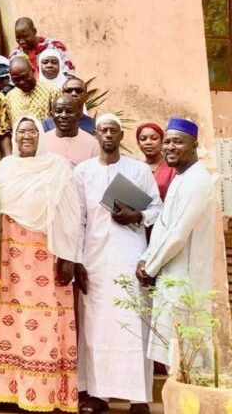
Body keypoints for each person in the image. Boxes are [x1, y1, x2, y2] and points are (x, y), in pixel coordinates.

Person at [0, 115, 83, 413]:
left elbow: (70, 215)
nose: (26, 136)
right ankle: (7, 392)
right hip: (10, 260)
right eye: (21, 132)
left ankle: (43, 394)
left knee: (45, 323)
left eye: (31, 132)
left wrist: (68, 258)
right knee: (8, 321)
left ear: (41, 135)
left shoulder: (58, 168)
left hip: (46, 259)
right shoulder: (5, 168)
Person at [75, 114, 161, 414]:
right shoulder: (83, 173)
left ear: (121, 136)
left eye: (113, 130)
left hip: (130, 257)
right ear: (95, 135)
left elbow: (158, 211)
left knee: (133, 325)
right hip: (94, 260)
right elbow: (79, 220)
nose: (108, 135)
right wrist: (77, 262)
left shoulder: (137, 170)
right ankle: (99, 395)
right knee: (96, 329)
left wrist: (137, 216)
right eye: (102, 130)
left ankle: (139, 397)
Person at [137, 118, 216, 368]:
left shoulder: (197, 181)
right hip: (171, 275)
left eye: (178, 142)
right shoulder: (181, 177)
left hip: (185, 279)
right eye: (168, 142)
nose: (170, 147)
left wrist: (150, 267)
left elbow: (178, 234)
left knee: (189, 357)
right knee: (176, 355)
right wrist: (148, 258)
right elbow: (163, 226)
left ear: (195, 145)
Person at [44, 94, 99, 167]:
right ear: (52, 115)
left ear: (78, 114)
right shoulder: (42, 142)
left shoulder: (93, 145)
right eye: (59, 111)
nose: (63, 115)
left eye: (69, 111)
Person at [5, 56, 61, 127]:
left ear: (33, 70)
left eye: (24, 77)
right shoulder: (10, 97)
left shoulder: (53, 91)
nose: (21, 82)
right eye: (16, 79)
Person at [10, 17, 74, 78]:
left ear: (34, 31)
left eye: (25, 36)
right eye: (18, 38)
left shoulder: (54, 47)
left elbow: (67, 73)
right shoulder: (15, 56)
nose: (21, 42)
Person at [136, 122, 177, 201]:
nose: (148, 142)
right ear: (138, 143)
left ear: (162, 141)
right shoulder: (136, 169)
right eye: (143, 139)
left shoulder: (173, 168)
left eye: (154, 138)